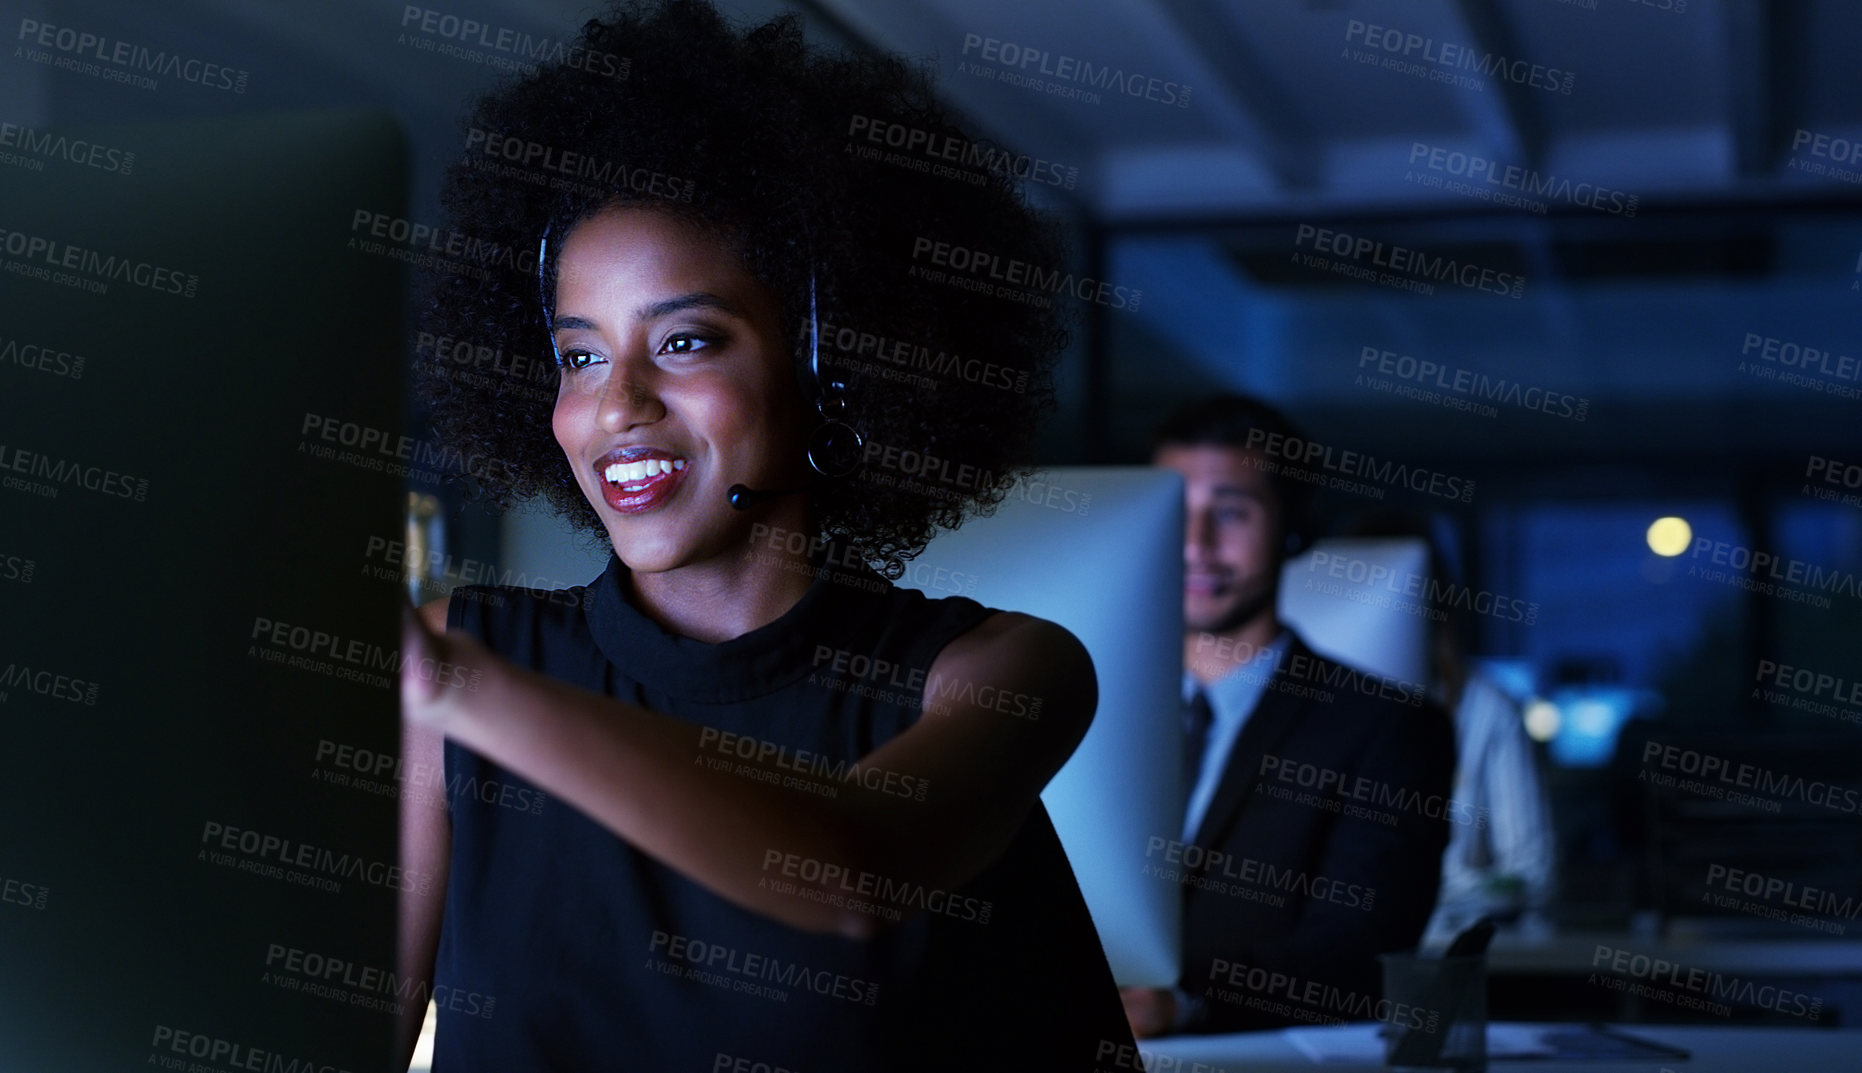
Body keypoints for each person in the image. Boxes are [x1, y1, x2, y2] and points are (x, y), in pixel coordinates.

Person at [393, 2, 1132, 1068]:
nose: (615, 406)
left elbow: (849, 871)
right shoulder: (461, 651)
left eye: (684, 340)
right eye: (579, 355)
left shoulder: (1000, 672)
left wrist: (452, 688)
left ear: (837, 364)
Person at [1121, 394, 1457, 1037]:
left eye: (1231, 512)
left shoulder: (1388, 726)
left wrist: (1184, 1003)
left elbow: (1362, 948)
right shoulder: (1099, 706)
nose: (1196, 545)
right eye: (1175, 514)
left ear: (1293, 529)